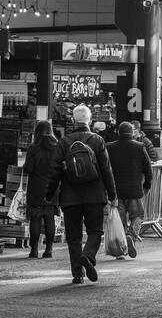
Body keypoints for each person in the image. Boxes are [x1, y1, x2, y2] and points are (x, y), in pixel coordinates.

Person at [47, 104, 117, 284]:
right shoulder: (97, 140)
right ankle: (88, 256)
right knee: (95, 230)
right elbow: (106, 169)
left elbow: (54, 171)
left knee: (73, 237)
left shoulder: (63, 142)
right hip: (95, 194)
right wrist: (112, 194)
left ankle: (77, 273)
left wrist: (49, 194)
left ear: (73, 120)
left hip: (70, 197)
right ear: (90, 120)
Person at [107, 121, 153, 259]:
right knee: (138, 216)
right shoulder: (139, 147)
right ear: (132, 132)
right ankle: (131, 237)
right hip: (134, 191)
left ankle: (120, 252)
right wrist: (147, 185)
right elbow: (148, 168)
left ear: (118, 132)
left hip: (117, 192)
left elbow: (105, 169)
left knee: (119, 222)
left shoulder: (110, 147)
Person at [22, 120, 62, 258]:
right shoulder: (57, 146)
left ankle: (34, 250)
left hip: (36, 188)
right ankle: (49, 249)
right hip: (52, 187)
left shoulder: (33, 148)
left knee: (36, 218)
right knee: (49, 218)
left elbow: (28, 168)